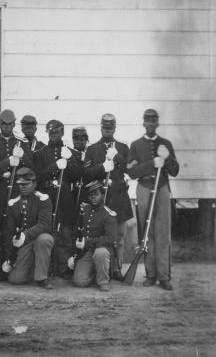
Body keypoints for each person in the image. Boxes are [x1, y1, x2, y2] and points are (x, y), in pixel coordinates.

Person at [127, 109, 179, 291]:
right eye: (147, 121)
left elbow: (175, 171)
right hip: (144, 187)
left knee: (163, 232)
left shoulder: (166, 143)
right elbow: (131, 171)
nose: (150, 124)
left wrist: (168, 157)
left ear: (157, 123)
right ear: (143, 123)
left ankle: (164, 276)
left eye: (153, 121)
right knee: (147, 231)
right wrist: (151, 165)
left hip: (162, 187)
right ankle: (150, 274)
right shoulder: (136, 145)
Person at [83, 114, 133, 279]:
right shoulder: (92, 149)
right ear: (100, 128)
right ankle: (101, 269)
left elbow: (131, 170)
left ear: (115, 128)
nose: (107, 130)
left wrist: (117, 156)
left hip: (118, 198)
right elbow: (86, 174)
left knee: (119, 238)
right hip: (99, 200)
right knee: (101, 236)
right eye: (105, 128)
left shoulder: (123, 147)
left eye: (110, 128)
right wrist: (102, 168)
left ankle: (117, 269)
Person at [33, 120, 83, 278]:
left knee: (65, 234)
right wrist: (55, 166)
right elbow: (38, 176)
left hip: (65, 198)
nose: (53, 135)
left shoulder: (72, 153)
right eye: (51, 133)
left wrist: (69, 163)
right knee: (47, 232)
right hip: (47, 196)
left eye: (56, 133)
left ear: (62, 133)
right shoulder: (40, 153)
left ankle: (63, 268)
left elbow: (78, 175)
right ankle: (47, 267)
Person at [2, 167, 54, 289]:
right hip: (23, 245)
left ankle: (42, 277)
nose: (23, 187)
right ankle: (31, 269)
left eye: (26, 184)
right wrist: (9, 256)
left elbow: (45, 225)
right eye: (20, 184)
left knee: (45, 239)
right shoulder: (13, 203)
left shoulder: (43, 200)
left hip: (38, 239)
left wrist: (25, 235)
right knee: (15, 280)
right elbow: (9, 231)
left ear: (34, 183)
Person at [0, 109, 33, 229]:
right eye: (3, 124)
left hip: (17, 191)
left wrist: (23, 158)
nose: (6, 127)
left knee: (16, 225)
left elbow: (32, 169)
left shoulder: (22, 143)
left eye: (9, 124)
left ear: (14, 124)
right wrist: (7, 162)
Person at [71, 180, 117, 292]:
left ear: (102, 195)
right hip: (87, 252)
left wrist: (87, 241)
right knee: (79, 282)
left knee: (100, 253)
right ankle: (96, 271)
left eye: (96, 194)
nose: (93, 198)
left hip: (102, 250)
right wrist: (74, 253)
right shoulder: (85, 210)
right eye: (91, 195)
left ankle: (103, 281)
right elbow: (77, 232)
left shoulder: (108, 214)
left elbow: (110, 239)